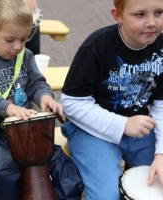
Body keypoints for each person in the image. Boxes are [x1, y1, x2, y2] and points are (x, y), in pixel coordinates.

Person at [60, 0, 163, 199]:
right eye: (140, 15)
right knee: (107, 196)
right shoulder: (96, 45)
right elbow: (71, 103)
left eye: (159, 12)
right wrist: (122, 124)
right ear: (117, 15)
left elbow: (161, 105)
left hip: (140, 128)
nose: (152, 22)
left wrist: (161, 154)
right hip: (91, 131)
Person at [0, 0, 62, 199]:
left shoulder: (25, 55)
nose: (17, 47)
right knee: (4, 172)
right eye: (10, 40)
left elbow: (36, 83)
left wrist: (45, 97)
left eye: (24, 39)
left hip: (24, 126)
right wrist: (9, 109)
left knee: (59, 165)